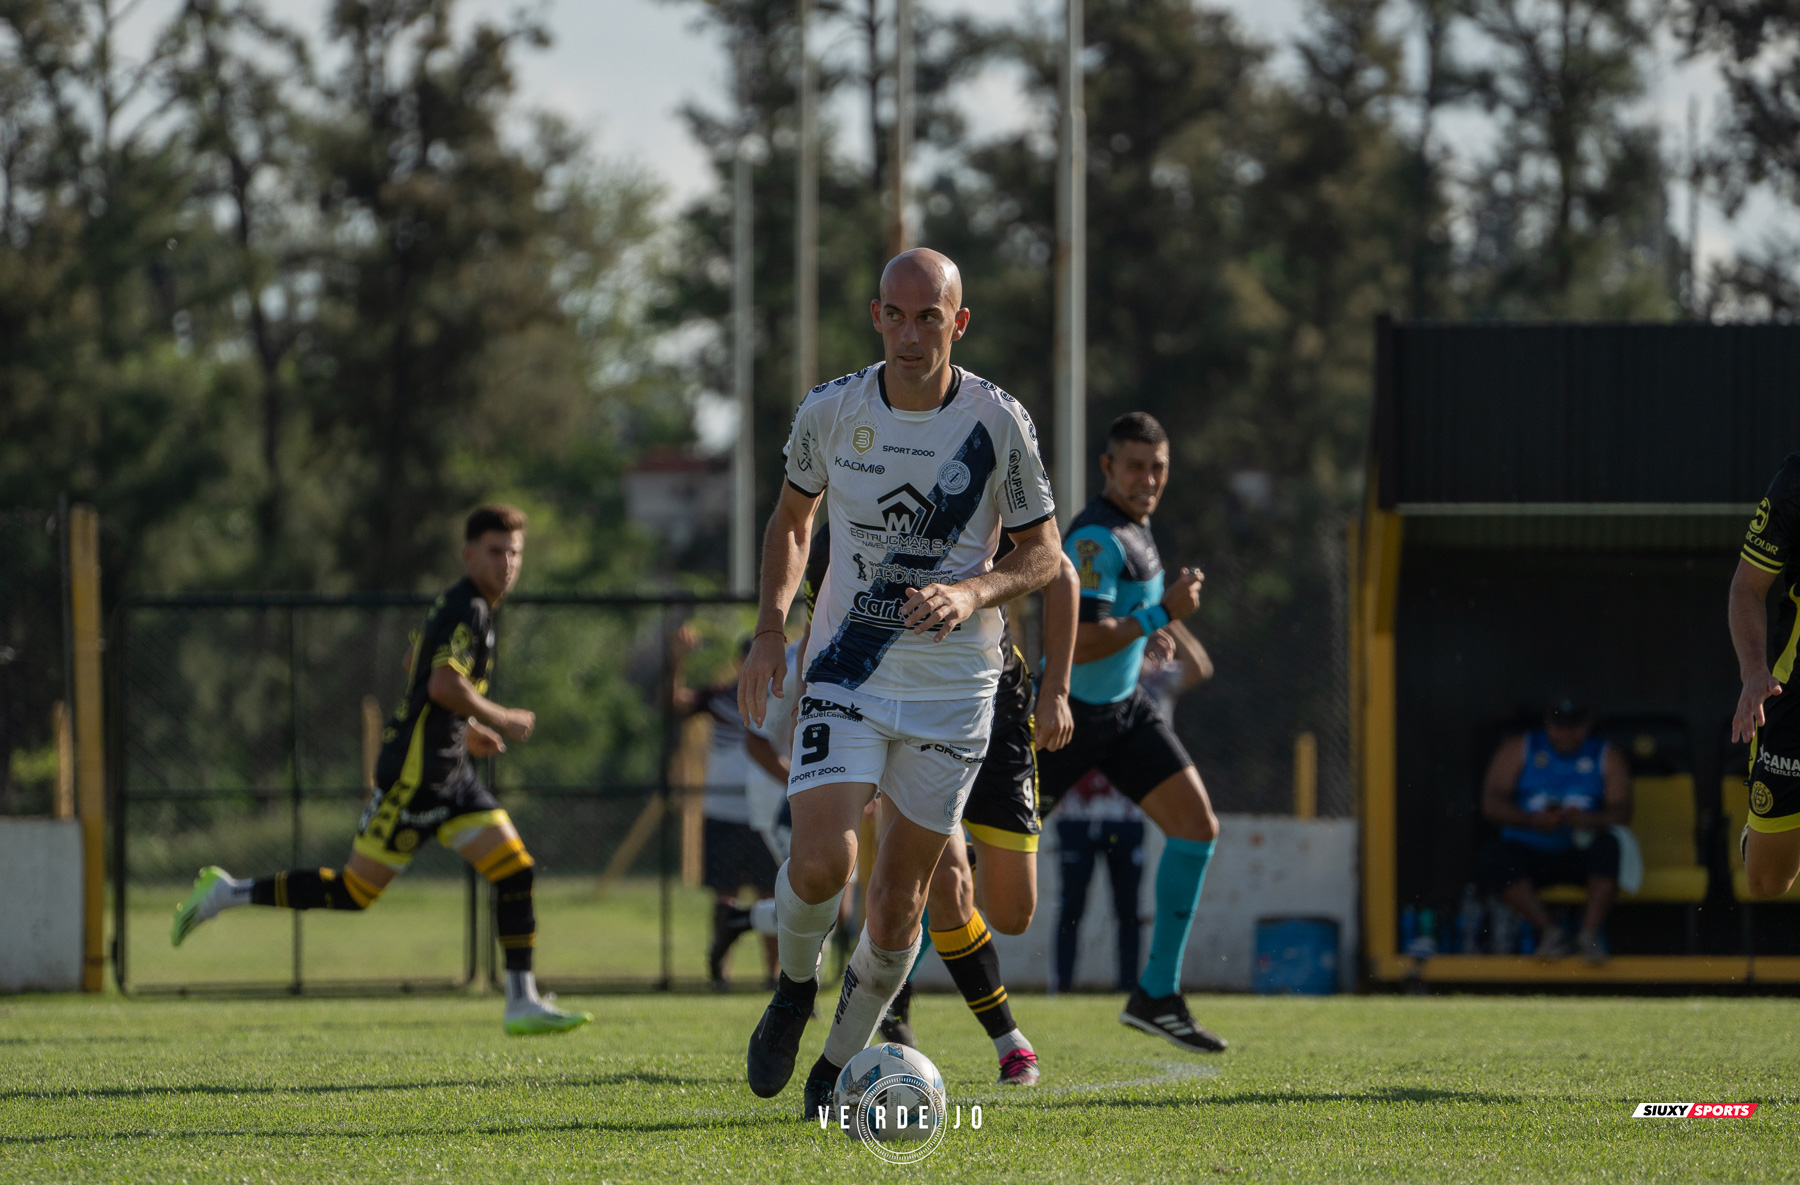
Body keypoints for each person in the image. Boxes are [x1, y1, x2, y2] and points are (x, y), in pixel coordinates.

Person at [737, 248, 1061, 1119]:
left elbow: (1045, 553)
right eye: (897, 314)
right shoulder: (832, 409)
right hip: (846, 664)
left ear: (959, 322)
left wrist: (971, 589)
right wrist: (772, 630)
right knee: (820, 860)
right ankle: (795, 988)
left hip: (956, 687)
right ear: (875, 316)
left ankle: (833, 1068)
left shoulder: (998, 421)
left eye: (931, 317)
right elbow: (792, 518)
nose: (912, 333)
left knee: (898, 903)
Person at [170, 505, 591, 1035]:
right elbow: (439, 683)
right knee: (354, 893)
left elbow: (415, 664)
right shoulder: (470, 608)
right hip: (415, 778)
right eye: (495, 551)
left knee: (515, 869)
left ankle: (521, 999)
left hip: (452, 775)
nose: (506, 562)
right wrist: (500, 717)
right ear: (469, 555)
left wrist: (465, 726)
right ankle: (226, 893)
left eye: (514, 553)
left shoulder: (466, 605)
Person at [1035, 411, 1227, 1053]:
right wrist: (1161, 613)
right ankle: (888, 992)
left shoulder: (1137, 528)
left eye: (1158, 467)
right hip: (1060, 720)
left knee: (1197, 827)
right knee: (970, 866)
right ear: (1108, 469)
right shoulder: (1095, 536)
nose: (1148, 479)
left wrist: (1155, 626)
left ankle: (1157, 994)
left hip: (1120, 712)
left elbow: (1120, 628)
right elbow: (1081, 641)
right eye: (1135, 466)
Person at [1055, 627, 1212, 992]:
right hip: (1077, 815)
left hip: (1128, 815)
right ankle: (1060, 987)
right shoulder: (1083, 674)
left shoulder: (1156, 680)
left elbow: (1200, 667)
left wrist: (1165, 613)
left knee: (1128, 911)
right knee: (1070, 909)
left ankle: (1132, 989)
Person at [1479, 692, 1631, 963]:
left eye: (1574, 726)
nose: (1565, 733)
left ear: (1587, 725)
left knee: (1611, 846)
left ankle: (1588, 936)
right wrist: (1532, 821)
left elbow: (1623, 812)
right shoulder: (1520, 748)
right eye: (1558, 725)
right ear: (1547, 724)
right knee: (1494, 855)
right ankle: (1550, 933)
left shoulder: (1605, 754)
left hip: (1578, 849)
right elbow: (1491, 804)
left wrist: (1588, 819)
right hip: (1530, 847)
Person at [669, 628, 783, 989]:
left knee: (772, 893)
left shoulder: (782, 698)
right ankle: (720, 972)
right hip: (722, 808)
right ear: (740, 661)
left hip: (765, 810)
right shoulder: (719, 697)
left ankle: (774, 973)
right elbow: (677, 701)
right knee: (724, 893)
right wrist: (679, 660)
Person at [1731, 451, 1800, 898]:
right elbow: (1747, 587)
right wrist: (1754, 672)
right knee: (1767, 883)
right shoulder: (1796, 483)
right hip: (1794, 695)